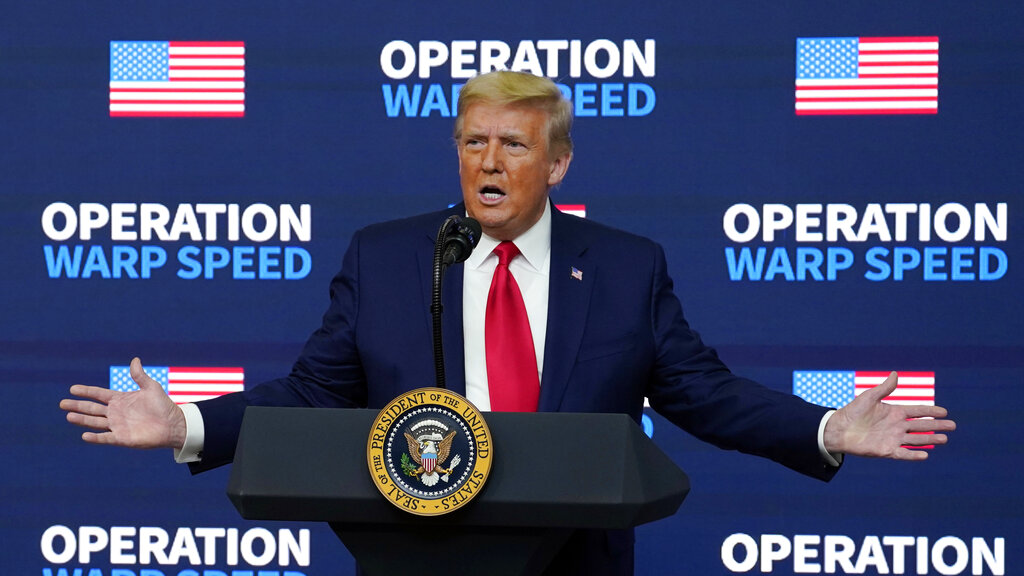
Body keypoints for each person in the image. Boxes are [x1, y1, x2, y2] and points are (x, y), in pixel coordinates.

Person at [61, 70, 955, 576]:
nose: (488, 162)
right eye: (472, 142)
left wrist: (827, 428)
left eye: (514, 145)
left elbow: (701, 391)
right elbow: (312, 393)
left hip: (575, 564)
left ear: (557, 164)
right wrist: (188, 424)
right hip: (420, 555)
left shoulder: (625, 267)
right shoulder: (387, 257)